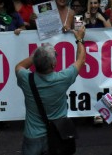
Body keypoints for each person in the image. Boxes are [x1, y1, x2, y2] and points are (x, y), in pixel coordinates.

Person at [15, 26, 86, 155]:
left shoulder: (26, 78)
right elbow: (81, 59)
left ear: (35, 63)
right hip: (58, 133)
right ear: (53, 65)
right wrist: (79, 39)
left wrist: (38, 54)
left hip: (33, 136)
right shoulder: (63, 78)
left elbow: (19, 66)